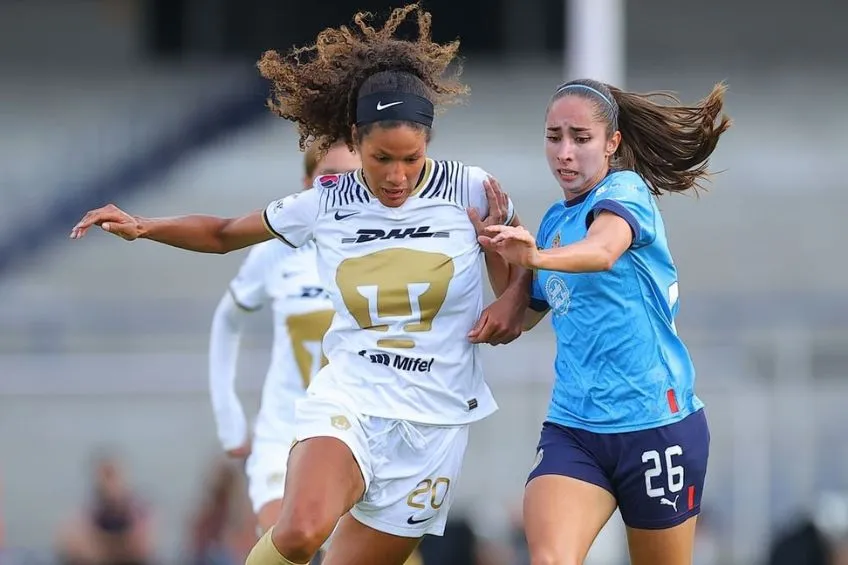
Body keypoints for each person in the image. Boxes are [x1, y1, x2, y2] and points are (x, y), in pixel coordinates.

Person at [69, 4, 530, 565]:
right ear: (356, 139)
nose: (396, 175)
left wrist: (512, 288)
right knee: (299, 532)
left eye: (411, 158)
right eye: (381, 158)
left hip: (437, 420)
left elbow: (522, 280)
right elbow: (223, 233)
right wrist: (144, 226)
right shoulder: (326, 202)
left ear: (429, 141)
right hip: (351, 399)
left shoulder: (472, 190)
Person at [478, 78, 731, 564]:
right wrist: (494, 244)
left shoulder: (625, 191)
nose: (565, 152)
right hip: (575, 428)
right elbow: (520, 317)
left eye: (580, 138)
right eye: (554, 137)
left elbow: (603, 250)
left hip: (656, 424)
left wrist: (534, 257)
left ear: (611, 143)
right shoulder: (555, 223)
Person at [208, 140, 360, 536]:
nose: (341, 188)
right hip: (284, 435)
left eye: (353, 177)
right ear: (307, 183)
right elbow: (227, 319)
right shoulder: (278, 250)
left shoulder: (392, 251)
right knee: (289, 540)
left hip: (361, 438)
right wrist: (229, 417)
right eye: (329, 177)